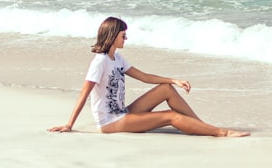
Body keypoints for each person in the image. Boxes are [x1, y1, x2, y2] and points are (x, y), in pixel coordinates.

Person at [49, 16, 249, 137]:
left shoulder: (117, 58)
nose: (126, 38)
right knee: (170, 116)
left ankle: (202, 127)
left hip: (123, 113)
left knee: (165, 90)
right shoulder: (99, 62)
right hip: (110, 122)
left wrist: (173, 80)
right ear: (112, 36)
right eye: (123, 36)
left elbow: (144, 77)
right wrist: (69, 125)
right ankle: (220, 132)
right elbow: (84, 95)